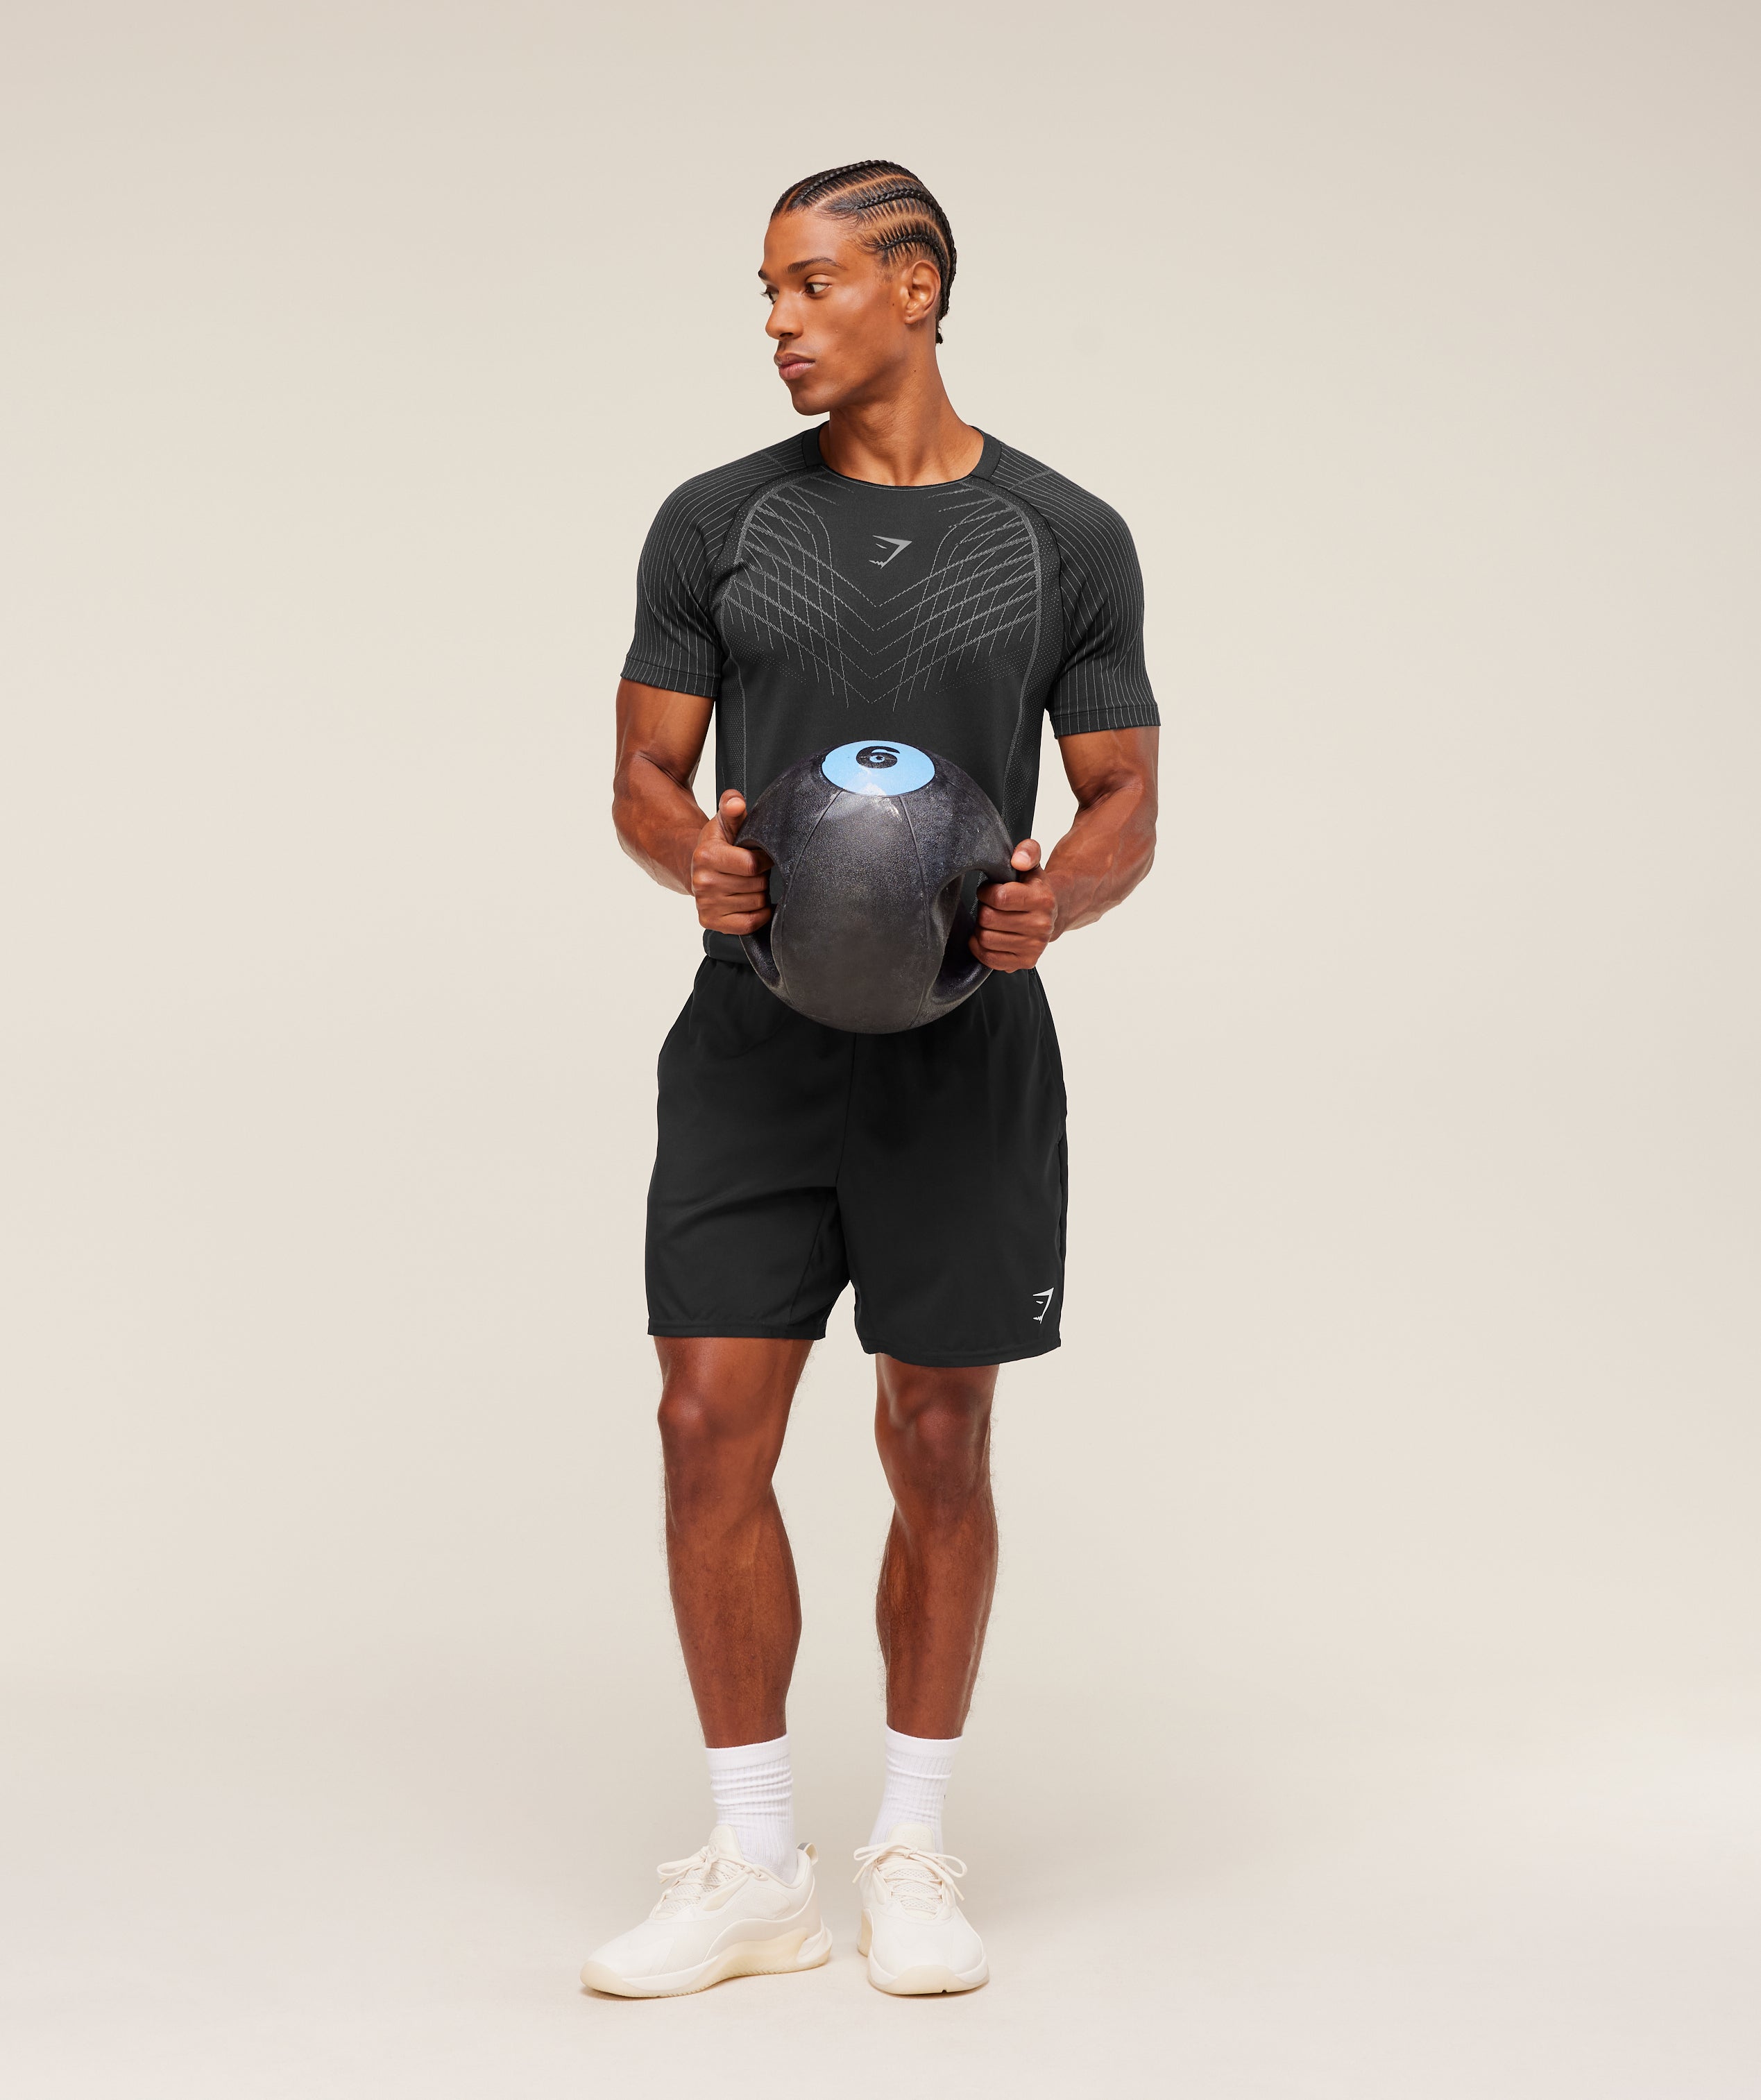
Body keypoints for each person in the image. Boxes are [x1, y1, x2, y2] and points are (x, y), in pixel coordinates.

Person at [581, 162, 1159, 1999]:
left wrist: (1057, 899)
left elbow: (1124, 796)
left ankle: (910, 1845)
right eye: (765, 291)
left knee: (936, 1441)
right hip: (754, 1037)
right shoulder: (715, 523)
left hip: (963, 1045)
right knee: (703, 1424)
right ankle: (756, 1862)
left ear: (914, 287)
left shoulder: (1063, 533)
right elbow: (642, 776)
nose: (776, 321)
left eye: (810, 283)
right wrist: (695, 857)